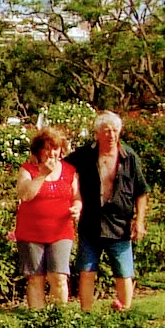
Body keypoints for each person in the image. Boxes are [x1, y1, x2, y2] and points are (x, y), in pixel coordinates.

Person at [66, 111, 149, 313]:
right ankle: (86, 313)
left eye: (114, 130)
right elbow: (62, 168)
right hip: (91, 223)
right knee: (86, 270)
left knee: (123, 271)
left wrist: (139, 222)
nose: (111, 135)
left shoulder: (129, 157)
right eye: (106, 131)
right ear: (97, 133)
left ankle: (124, 312)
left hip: (119, 224)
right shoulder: (85, 154)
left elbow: (141, 192)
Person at [12, 126, 80, 308]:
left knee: (59, 276)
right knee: (36, 278)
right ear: (38, 150)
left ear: (61, 150)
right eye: (47, 148)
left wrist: (77, 208)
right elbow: (25, 195)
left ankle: (58, 317)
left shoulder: (69, 171)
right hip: (31, 232)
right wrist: (43, 174)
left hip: (61, 231)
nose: (52, 153)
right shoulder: (28, 170)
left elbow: (77, 197)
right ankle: (37, 317)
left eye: (55, 148)